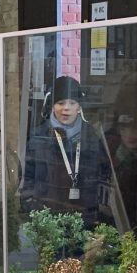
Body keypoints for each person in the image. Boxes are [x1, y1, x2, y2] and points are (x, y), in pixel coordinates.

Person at [19, 75, 116, 229]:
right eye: (60, 103)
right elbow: (28, 176)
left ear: (79, 107)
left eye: (72, 103)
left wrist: (98, 209)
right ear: (52, 106)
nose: (66, 108)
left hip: (85, 215)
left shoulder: (90, 136)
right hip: (47, 215)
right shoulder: (40, 136)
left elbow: (103, 174)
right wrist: (30, 207)